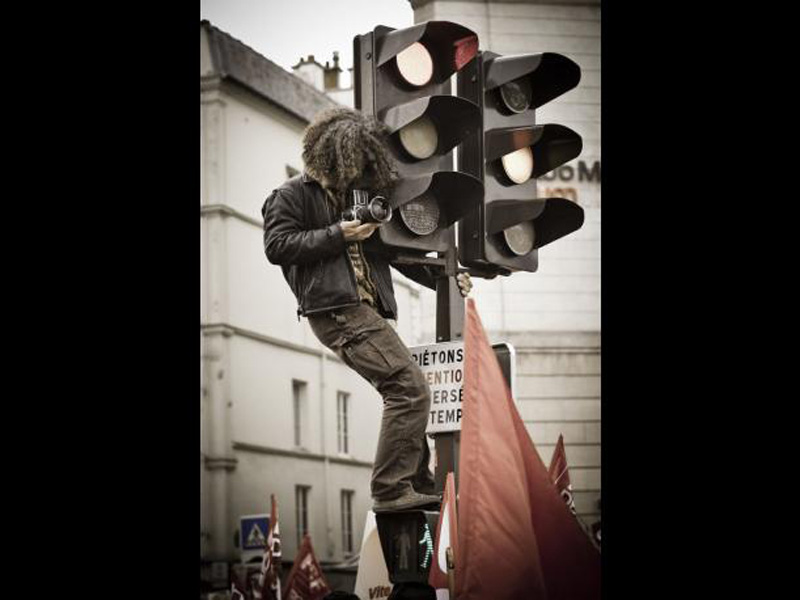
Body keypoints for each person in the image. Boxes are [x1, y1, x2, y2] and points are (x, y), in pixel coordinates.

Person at [262, 107, 472, 512]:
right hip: (335, 310)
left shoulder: (359, 197)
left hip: (366, 310)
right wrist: (337, 234)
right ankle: (391, 489)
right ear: (329, 156)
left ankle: (415, 483)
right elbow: (277, 246)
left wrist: (442, 280)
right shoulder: (290, 195)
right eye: (350, 162)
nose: (356, 172)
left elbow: (392, 254)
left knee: (406, 389)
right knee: (409, 388)